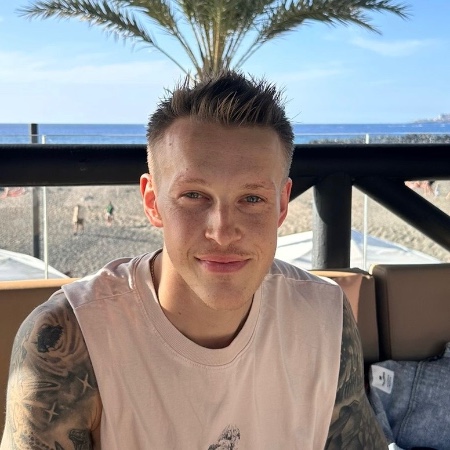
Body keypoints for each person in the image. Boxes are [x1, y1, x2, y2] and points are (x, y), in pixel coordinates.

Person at [1, 71, 387, 449]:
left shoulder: (325, 315)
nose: (222, 231)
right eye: (194, 196)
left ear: (282, 205)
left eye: (252, 198)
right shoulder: (69, 338)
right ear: (153, 202)